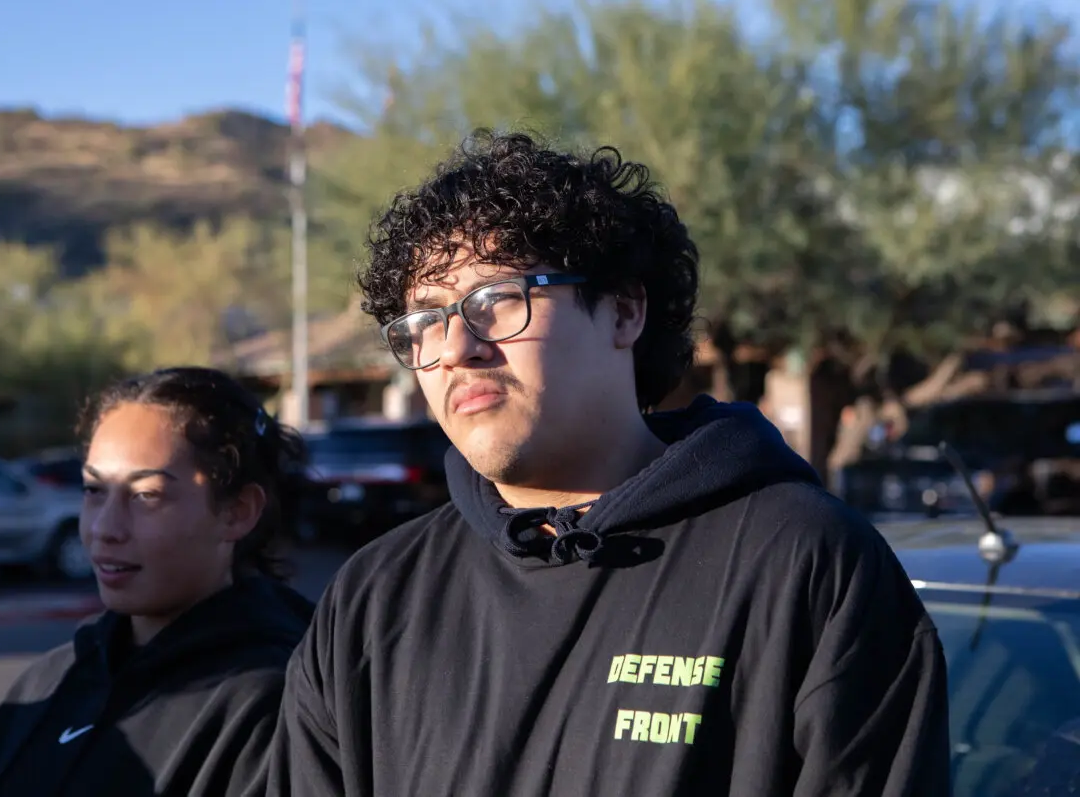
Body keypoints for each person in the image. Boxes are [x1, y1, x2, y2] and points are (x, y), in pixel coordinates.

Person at [276, 131, 951, 796]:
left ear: (625, 312)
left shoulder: (803, 563)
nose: (455, 347)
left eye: (498, 299)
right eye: (425, 319)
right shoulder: (372, 599)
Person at [0, 366, 314, 797]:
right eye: (93, 490)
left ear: (237, 512)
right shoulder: (54, 679)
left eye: (146, 495)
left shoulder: (276, 700)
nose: (105, 528)